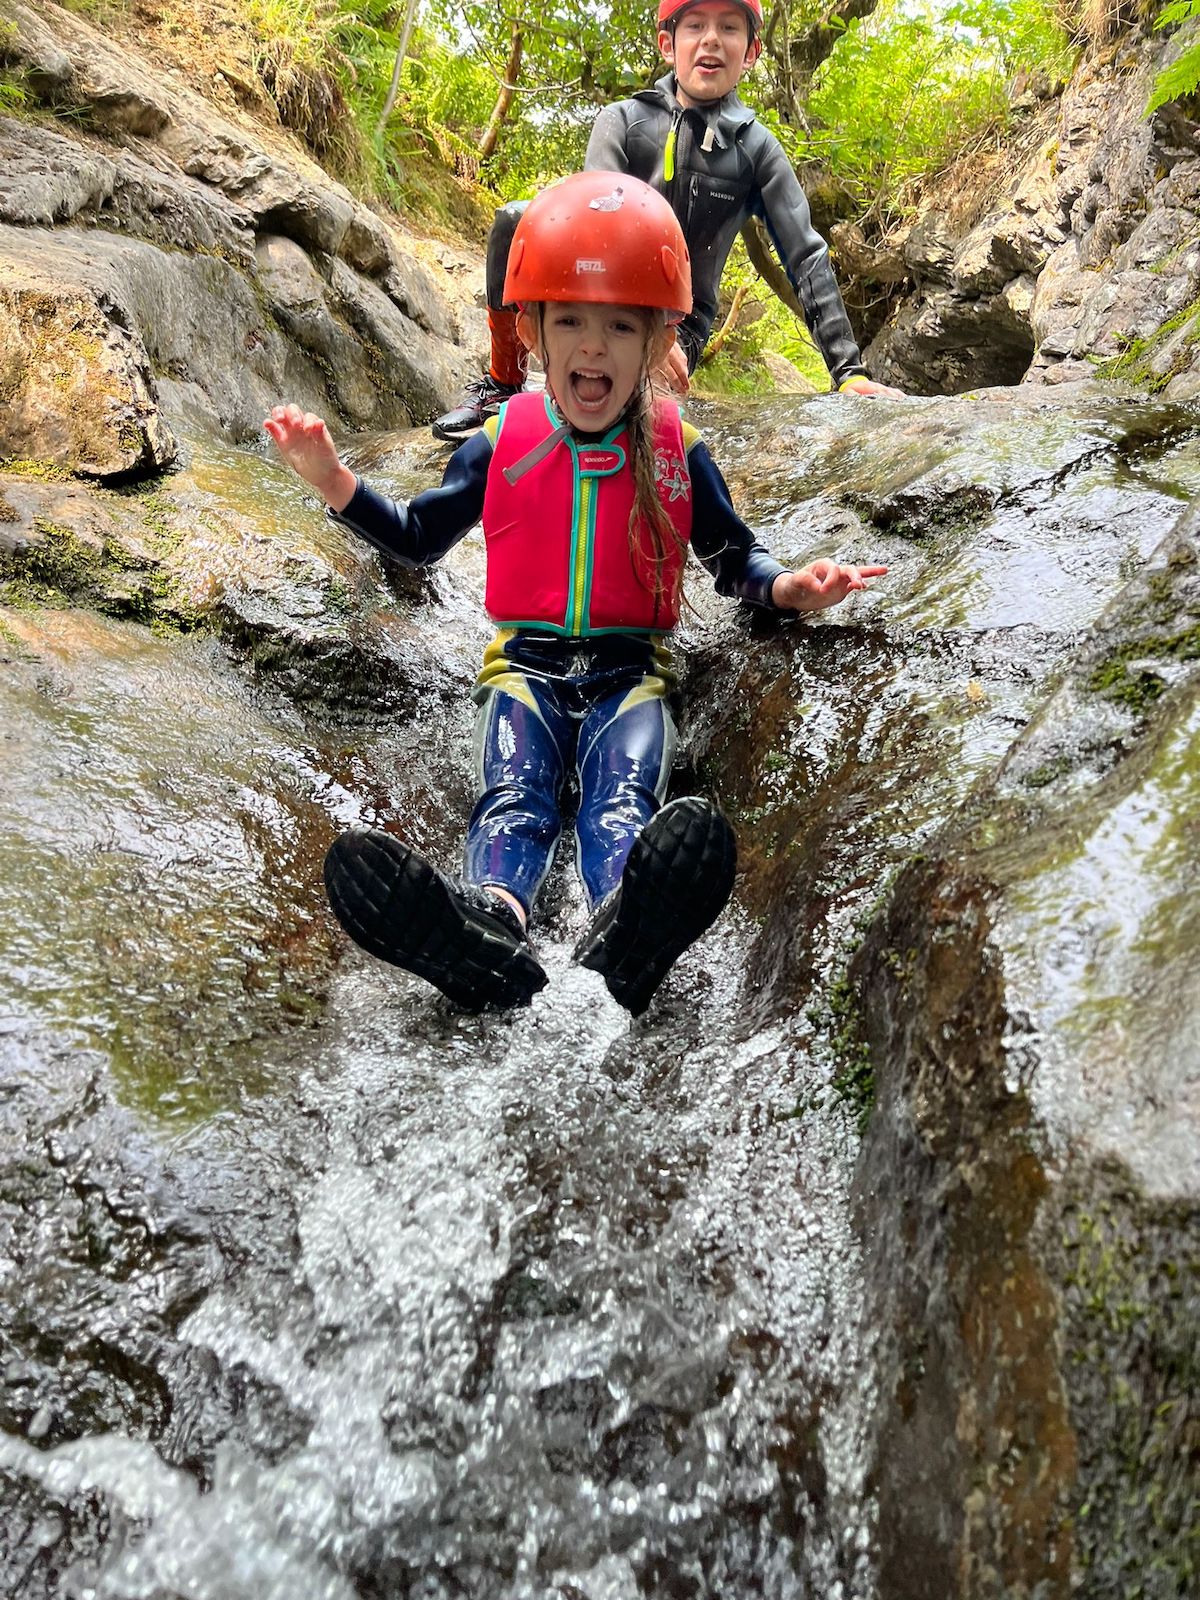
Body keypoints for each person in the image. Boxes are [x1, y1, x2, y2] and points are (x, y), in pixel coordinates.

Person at [265, 173, 886, 1016]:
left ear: (658, 341)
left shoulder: (677, 449)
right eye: (571, 323)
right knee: (515, 794)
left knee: (622, 799)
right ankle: (490, 924)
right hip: (524, 672)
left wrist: (789, 587)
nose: (593, 347)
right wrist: (332, 479)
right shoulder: (500, 440)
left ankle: (624, 923)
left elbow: (731, 556)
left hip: (632, 676)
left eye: (620, 326)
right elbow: (417, 537)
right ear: (532, 332)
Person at [432, 0, 901, 442]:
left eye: (729, 27)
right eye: (695, 25)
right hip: (591, 295)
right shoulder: (622, 120)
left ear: (751, 51)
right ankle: (502, 384)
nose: (711, 39)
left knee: (631, 407)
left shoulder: (758, 150)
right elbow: (593, 225)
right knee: (514, 220)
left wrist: (849, 373)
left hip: (680, 325)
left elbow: (806, 255)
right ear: (667, 44)